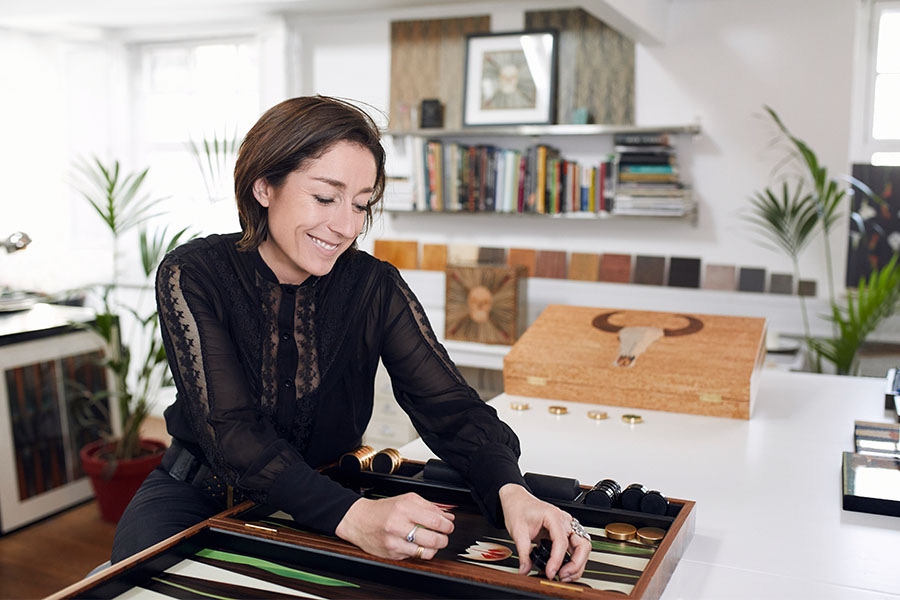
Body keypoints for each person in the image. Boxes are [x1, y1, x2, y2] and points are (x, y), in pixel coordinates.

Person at [110, 95, 591, 583]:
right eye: (325, 197)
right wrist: (354, 517)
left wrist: (512, 490)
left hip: (332, 500)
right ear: (263, 186)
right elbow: (233, 433)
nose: (345, 227)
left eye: (361, 204)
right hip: (197, 499)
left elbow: (449, 408)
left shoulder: (373, 284)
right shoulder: (193, 273)